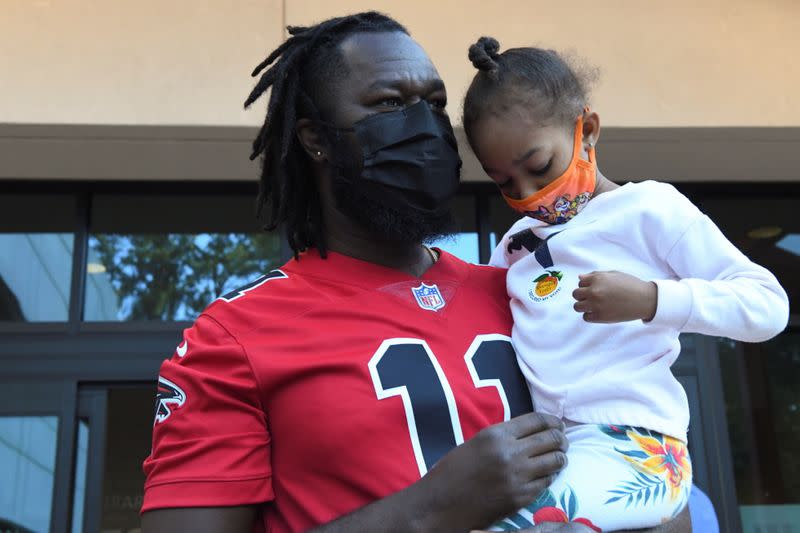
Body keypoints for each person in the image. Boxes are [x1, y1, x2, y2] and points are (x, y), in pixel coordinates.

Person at [140, 13, 690, 532]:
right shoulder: (233, 338)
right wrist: (429, 509)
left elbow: (653, 477)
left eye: (435, 103)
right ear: (314, 139)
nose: (424, 125)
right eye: (389, 103)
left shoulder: (526, 288)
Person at [460, 36, 790, 531]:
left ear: (587, 130)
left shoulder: (650, 209)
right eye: (504, 183)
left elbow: (767, 305)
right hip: (548, 451)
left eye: (539, 167)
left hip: (641, 449)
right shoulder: (514, 245)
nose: (528, 195)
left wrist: (652, 299)